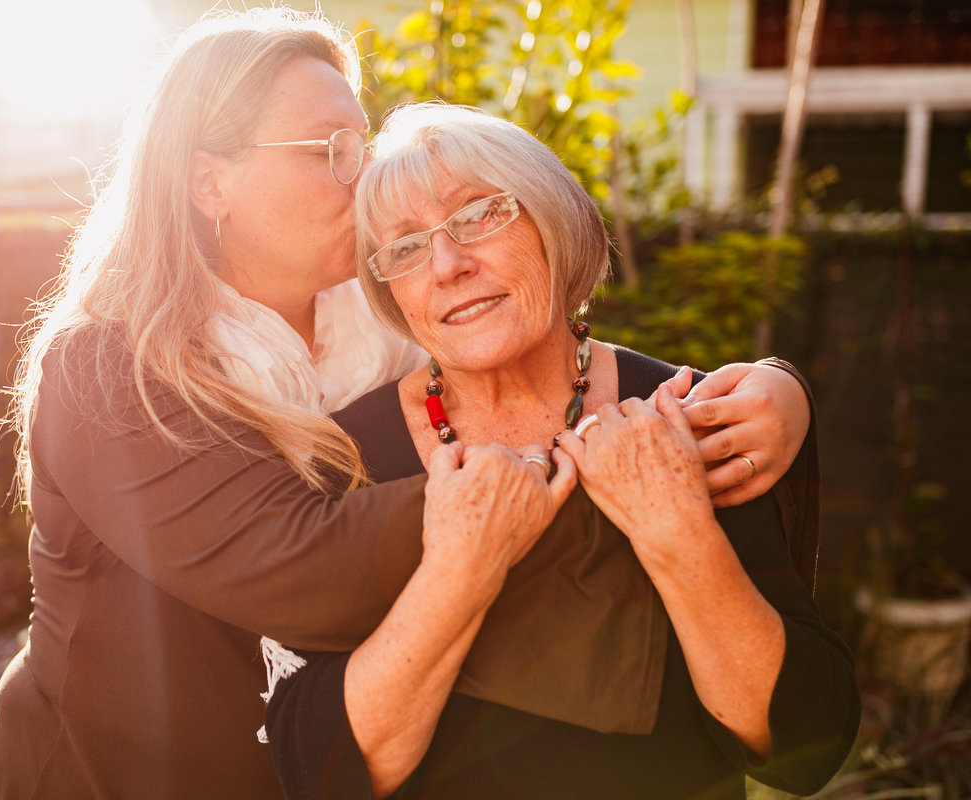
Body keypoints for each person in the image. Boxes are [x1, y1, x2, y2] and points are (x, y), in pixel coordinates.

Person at [0, 10, 824, 800]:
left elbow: (537, 347)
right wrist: (614, 467)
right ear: (210, 183)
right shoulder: (110, 362)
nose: (365, 173)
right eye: (328, 149)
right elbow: (292, 559)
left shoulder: (383, 325)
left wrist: (765, 393)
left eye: (362, 143)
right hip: (124, 773)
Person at [263, 103, 860, 800]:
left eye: (479, 214)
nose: (448, 264)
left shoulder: (680, 417)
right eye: (405, 246)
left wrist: (678, 532)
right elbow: (317, 773)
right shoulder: (339, 458)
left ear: (553, 220)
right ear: (390, 289)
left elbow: (803, 748)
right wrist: (463, 567)